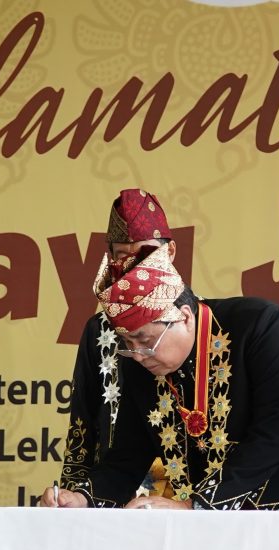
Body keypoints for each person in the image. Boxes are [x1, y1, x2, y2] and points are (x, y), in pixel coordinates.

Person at [45, 244, 279, 510]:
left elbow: (275, 431)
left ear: (184, 317)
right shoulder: (141, 362)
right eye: (127, 344)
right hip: (229, 516)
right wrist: (83, 498)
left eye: (145, 340)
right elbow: (129, 453)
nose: (138, 354)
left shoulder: (260, 326)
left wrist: (194, 506)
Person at [60, 188, 182, 498]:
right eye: (121, 256)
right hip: (113, 491)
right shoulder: (98, 329)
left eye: (144, 255)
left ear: (170, 252)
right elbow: (82, 424)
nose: (132, 267)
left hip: (188, 496)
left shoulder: (198, 323)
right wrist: (74, 497)